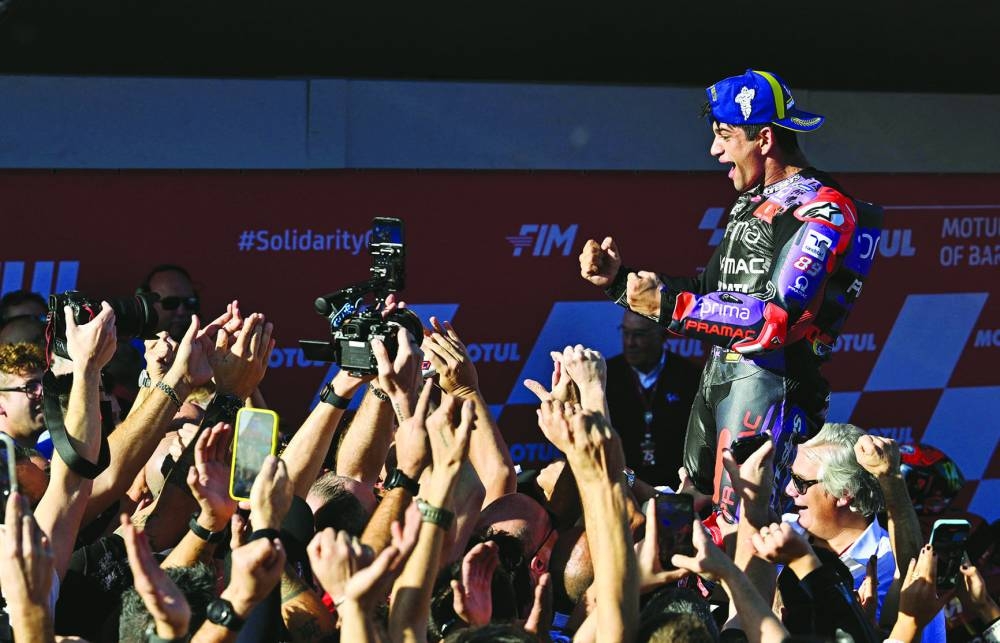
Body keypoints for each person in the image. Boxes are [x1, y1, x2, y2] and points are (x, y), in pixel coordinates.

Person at [579, 68, 883, 522]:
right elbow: (710, 294)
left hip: (769, 382)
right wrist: (620, 283)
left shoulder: (824, 207)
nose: (714, 150)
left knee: (739, 530)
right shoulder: (750, 199)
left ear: (763, 139)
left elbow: (775, 320)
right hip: (720, 376)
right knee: (691, 513)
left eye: (724, 136)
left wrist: (664, 304)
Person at [605, 310, 700, 488]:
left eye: (639, 335)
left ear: (662, 335)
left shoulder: (690, 377)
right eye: (626, 333)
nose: (630, 342)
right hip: (623, 488)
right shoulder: (606, 377)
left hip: (676, 488)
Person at [137, 264, 201, 341]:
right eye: (170, 303)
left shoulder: (208, 347)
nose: (181, 312)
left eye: (190, 302)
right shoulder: (126, 351)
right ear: (146, 305)